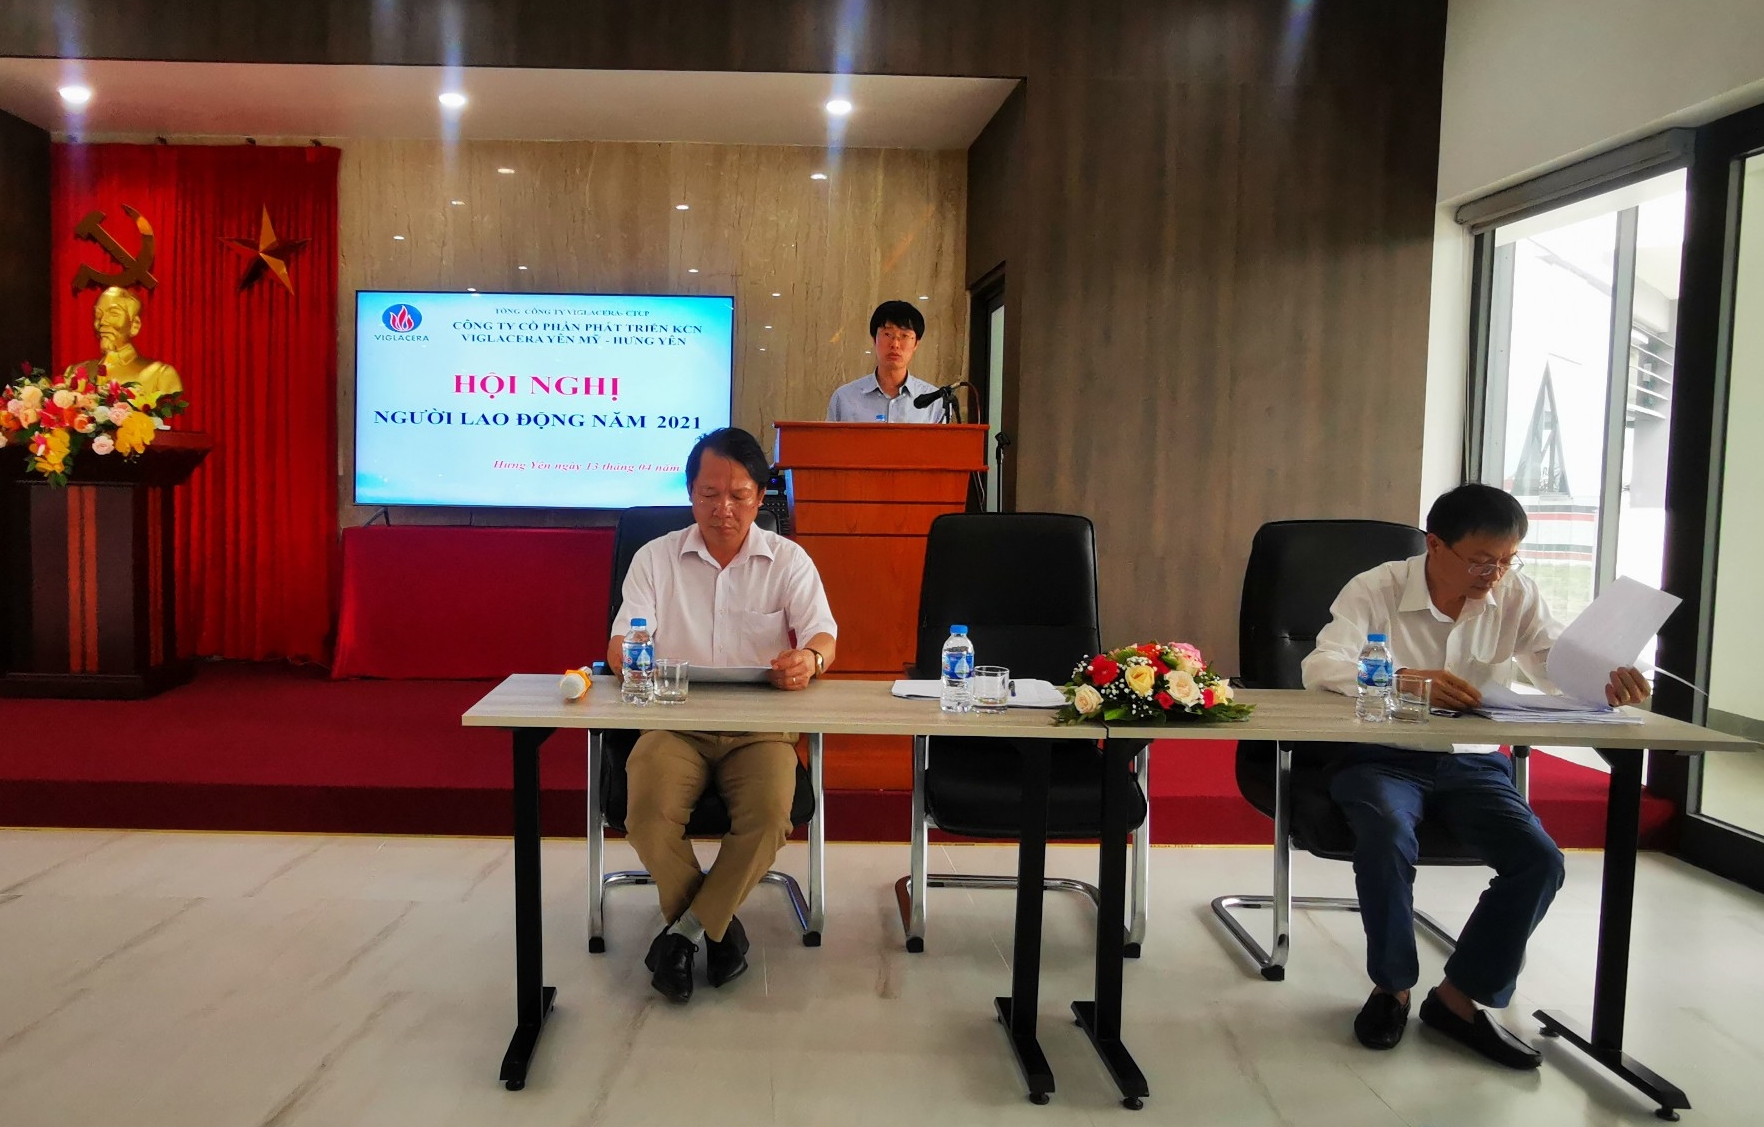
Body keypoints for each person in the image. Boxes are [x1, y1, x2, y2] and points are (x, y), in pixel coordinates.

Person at [1301, 483, 1651, 1068]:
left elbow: (1554, 667)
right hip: (1382, 755)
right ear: (1435, 544)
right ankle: (1392, 988)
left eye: (1509, 560)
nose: (1496, 574)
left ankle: (1458, 999)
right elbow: (1321, 665)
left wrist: (1610, 680)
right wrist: (1403, 678)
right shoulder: (1377, 587)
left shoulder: (1516, 594)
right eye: (1483, 560)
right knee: (1387, 836)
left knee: (1539, 860)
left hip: (1473, 761)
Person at [607, 427, 838, 1004]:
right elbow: (620, 644)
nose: (723, 508)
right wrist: (632, 655)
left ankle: (683, 934)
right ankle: (719, 928)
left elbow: (823, 635)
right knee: (646, 813)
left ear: (760, 497)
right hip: (672, 722)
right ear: (690, 494)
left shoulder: (787, 560)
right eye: (709, 494)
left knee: (771, 812)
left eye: (738, 495)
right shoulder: (655, 558)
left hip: (760, 730)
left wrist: (809, 660)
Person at [825, 300, 944, 422]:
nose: (895, 344)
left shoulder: (934, 401)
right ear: (874, 339)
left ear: (916, 344)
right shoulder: (844, 398)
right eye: (887, 334)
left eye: (904, 336)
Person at [63, 286, 183, 406]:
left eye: (114, 314)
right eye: (98, 314)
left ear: (135, 325)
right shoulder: (75, 372)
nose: (102, 321)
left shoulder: (160, 375)